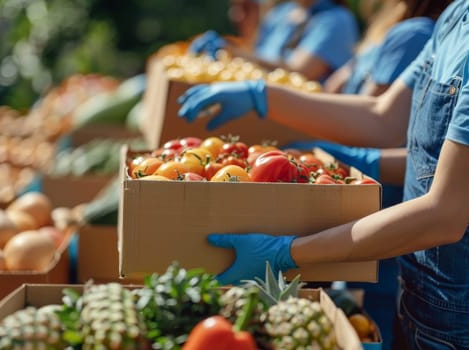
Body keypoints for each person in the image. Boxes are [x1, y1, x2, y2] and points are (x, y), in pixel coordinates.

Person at [177, 0, 469, 347]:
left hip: (456, 315)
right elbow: (382, 116)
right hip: (416, 294)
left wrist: (289, 252)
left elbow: (445, 215)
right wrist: (264, 96)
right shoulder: (454, 19)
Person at [189, 0, 359, 82]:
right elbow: (257, 54)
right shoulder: (282, 12)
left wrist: (233, 52)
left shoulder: (336, 20)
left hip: (295, 118)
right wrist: (228, 50)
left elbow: (299, 73)